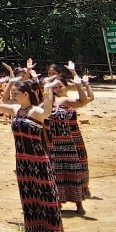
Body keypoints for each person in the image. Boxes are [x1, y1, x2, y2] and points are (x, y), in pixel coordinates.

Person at [0, 75, 66, 232]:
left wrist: (48, 89)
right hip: (22, 162)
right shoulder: (16, 110)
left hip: (39, 162)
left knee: (47, 199)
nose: (14, 95)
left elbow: (48, 110)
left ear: (26, 95)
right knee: (29, 199)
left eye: (17, 93)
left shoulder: (36, 112)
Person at [46, 64, 93, 215]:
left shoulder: (65, 101)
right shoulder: (47, 103)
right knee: (56, 175)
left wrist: (80, 85)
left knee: (73, 172)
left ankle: (79, 204)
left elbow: (84, 101)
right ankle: (58, 204)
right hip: (53, 143)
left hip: (68, 142)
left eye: (60, 86)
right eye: (55, 88)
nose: (57, 89)